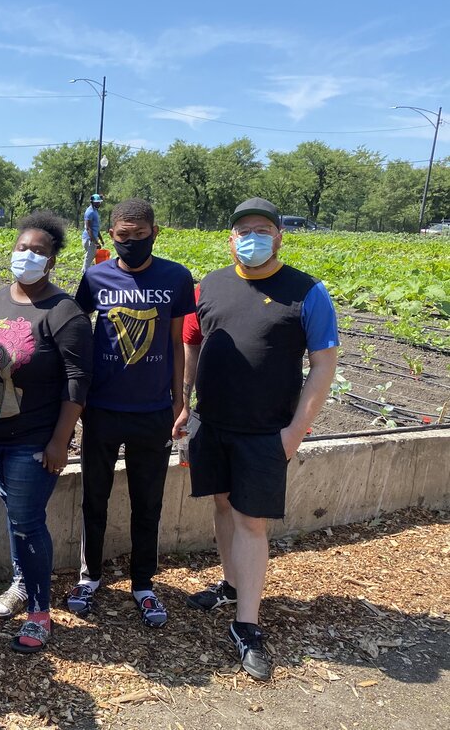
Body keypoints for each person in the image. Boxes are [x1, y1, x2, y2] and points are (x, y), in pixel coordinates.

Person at [181, 197, 338, 681]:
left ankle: (246, 625)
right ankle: (230, 586)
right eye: (243, 229)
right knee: (224, 506)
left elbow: (323, 366)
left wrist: (295, 431)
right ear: (230, 238)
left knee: (252, 521)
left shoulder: (307, 292)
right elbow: (192, 345)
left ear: (279, 236)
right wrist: (185, 406)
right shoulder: (208, 286)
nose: (252, 237)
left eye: (262, 229)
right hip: (213, 424)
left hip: (266, 431)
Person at [0, 210, 93, 653]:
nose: (28, 256)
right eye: (23, 248)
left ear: (52, 261)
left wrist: (60, 441)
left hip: (34, 440)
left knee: (26, 523)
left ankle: (39, 613)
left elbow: (78, 380)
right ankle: (22, 583)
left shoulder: (64, 311)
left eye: (39, 251)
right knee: (17, 517)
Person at [68, 198, 195, 628]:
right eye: (123, 236)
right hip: (101, 410)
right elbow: (76, 331)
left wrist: (181, 401)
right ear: (112, 236)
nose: (131, 243)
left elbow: (179, 343)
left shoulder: (176, 278)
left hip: (154, 411)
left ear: (155, 233)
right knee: (94, 498)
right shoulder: (95, 276)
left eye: (140, 236)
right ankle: (91, 577)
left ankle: (144, 583)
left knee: (149, 501)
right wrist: (77, 396)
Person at [81, 194, 104, 274]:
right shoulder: (89, 212)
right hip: (89, 239)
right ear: (92, 202)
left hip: (93, 238)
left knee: (90, 257)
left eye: (99, 202)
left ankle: (88, 273)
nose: (98, 204)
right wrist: (95, 242)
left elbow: (95, 227)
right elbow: (88, 228)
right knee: (89, 258)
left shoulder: (95, 211)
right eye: (97, 202)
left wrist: (100, 239)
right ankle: (85, 275)